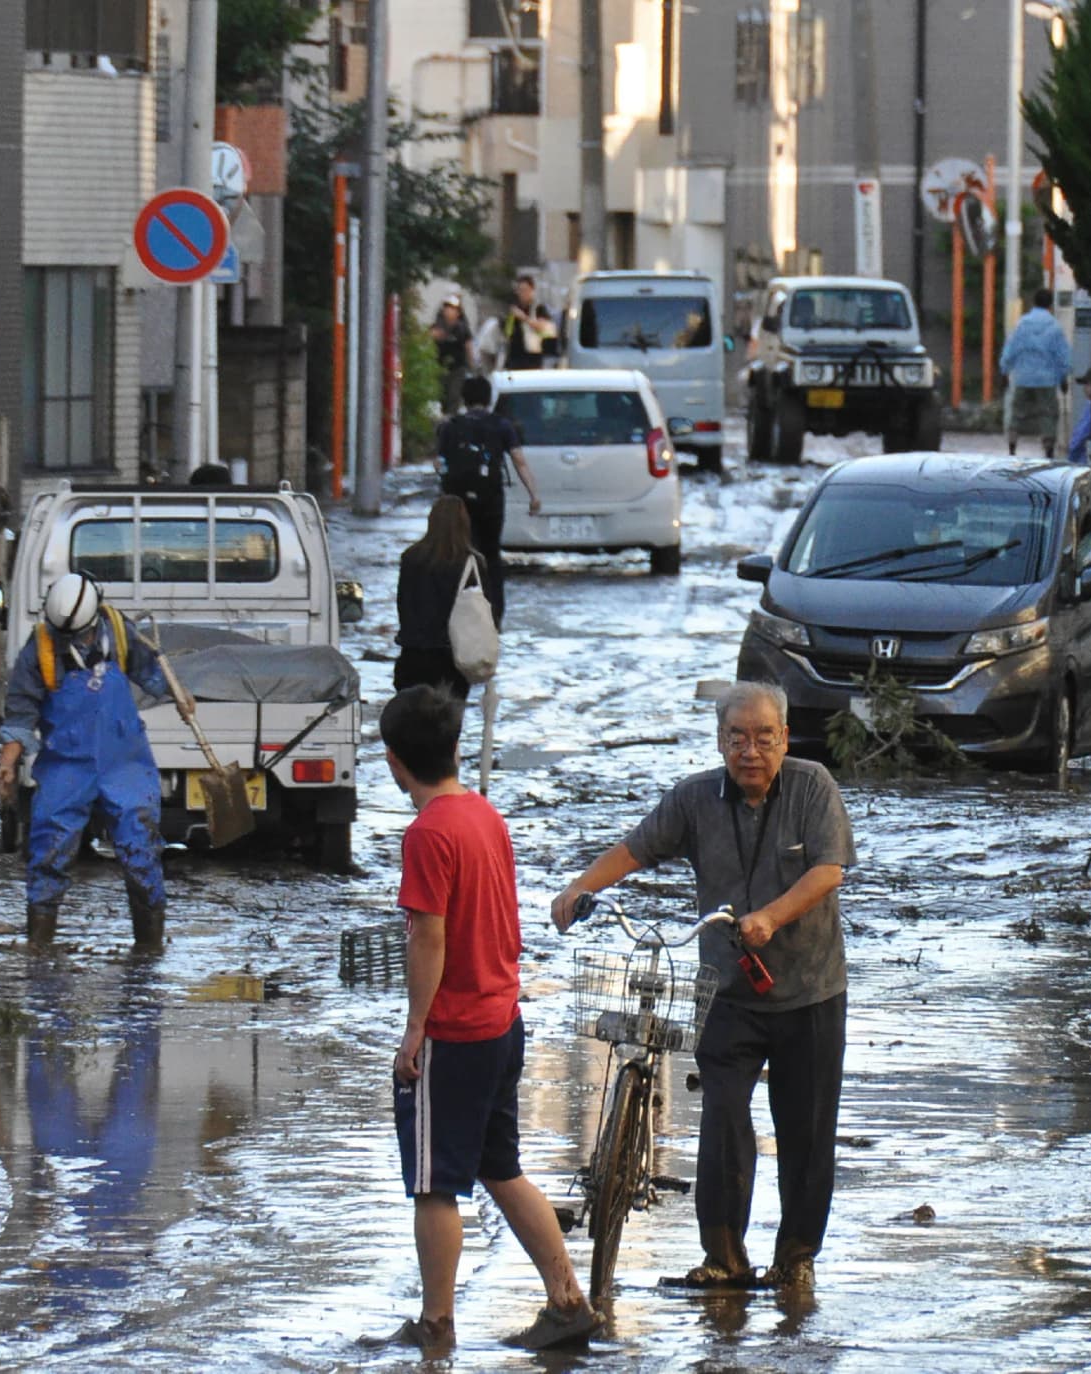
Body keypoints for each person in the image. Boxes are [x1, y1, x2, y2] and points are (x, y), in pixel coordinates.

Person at [550, 681, 857, 1292]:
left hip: (810, 990)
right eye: (737, 738)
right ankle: (723, 1256)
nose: (751, 750)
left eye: (764, 737)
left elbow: (829, 869)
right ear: (720, 742)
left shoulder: (812, 786)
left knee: (806, 1132)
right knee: (721, 1117)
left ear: (784, 739)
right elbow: (636, 848)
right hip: (726, 991)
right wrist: (580, 889)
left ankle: (796, 1258)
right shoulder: (694, 800)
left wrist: (771, 915)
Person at [367, 686, 601, 1353]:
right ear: (454, 748)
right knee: (501, 1167)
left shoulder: (427, 833)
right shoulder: (483, 815)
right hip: (504, 1020)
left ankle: (436, 1325)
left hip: (457, 1031)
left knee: (434, 1183)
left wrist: (415, 1030)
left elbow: (428, 938)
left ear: (392, 761)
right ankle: (567, 1300)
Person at [0, 573, 175, 949]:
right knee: (48, 849)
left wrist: (182, 692)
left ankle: (149, 950)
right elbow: (20, 711)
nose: (73, 642)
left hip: (125, 763)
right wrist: (8, 761)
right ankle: (39, 948)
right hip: (66, 766)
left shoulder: (121, 633)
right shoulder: (39, 651)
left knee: (140, 848)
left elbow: (156, 676)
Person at [435, 374, 542, 627]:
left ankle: (457, 615)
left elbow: (439, 464)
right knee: (491, 555)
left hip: (457, 503)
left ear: (464, 398)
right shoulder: (501, 426)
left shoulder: (450, 426)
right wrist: (534, 495)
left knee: (459, 554)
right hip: (491, 500)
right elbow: (519, 461)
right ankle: (494, 616)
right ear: (488, 398)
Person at [395, 495, 484, 698]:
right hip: (453, 660)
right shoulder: (471, 564)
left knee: (413, 723)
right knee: (447, 723)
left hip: (412, 656)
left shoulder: (410, 557)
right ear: (464, 523)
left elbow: (403, 605)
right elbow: (486, 612)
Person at [998, 287, 1073, 458]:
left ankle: (1012, 445)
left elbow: (1011, 349)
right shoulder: (1054, 327)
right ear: (1050, 305)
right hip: (1047, 379)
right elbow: (1062, 355)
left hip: (1023, 377)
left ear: (1034, 302)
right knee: (1048, 414)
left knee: (1017, 412)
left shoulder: (1022, 324)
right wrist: (1063, 376)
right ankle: (1048, 448)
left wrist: (1004, 371)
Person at [430, 294, 475, 414]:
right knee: (440, 396)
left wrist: (471, 365)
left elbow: (468, 346)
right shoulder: (437, 326)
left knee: (454, 396)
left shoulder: (462, 329)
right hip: (440, 368)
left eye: (453, 308)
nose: (449, 311)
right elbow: (431, 337)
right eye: (447, 308)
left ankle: (452, 418)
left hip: (457, 369)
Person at [501, 276, 558, 371]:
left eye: (525, 290)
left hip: (532, 358)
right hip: (514, 358)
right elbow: (507, 332)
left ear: (532, 290)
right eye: (520, 290)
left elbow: (542, 327)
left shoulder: (538, 308)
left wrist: (523, 317)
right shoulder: (514, 309)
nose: (522, 293)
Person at [1067, 374, 1091, 465]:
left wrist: (1070, 460)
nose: (1084, 389)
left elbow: (1080, 437)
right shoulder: (1090, 406)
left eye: (1087, 384)